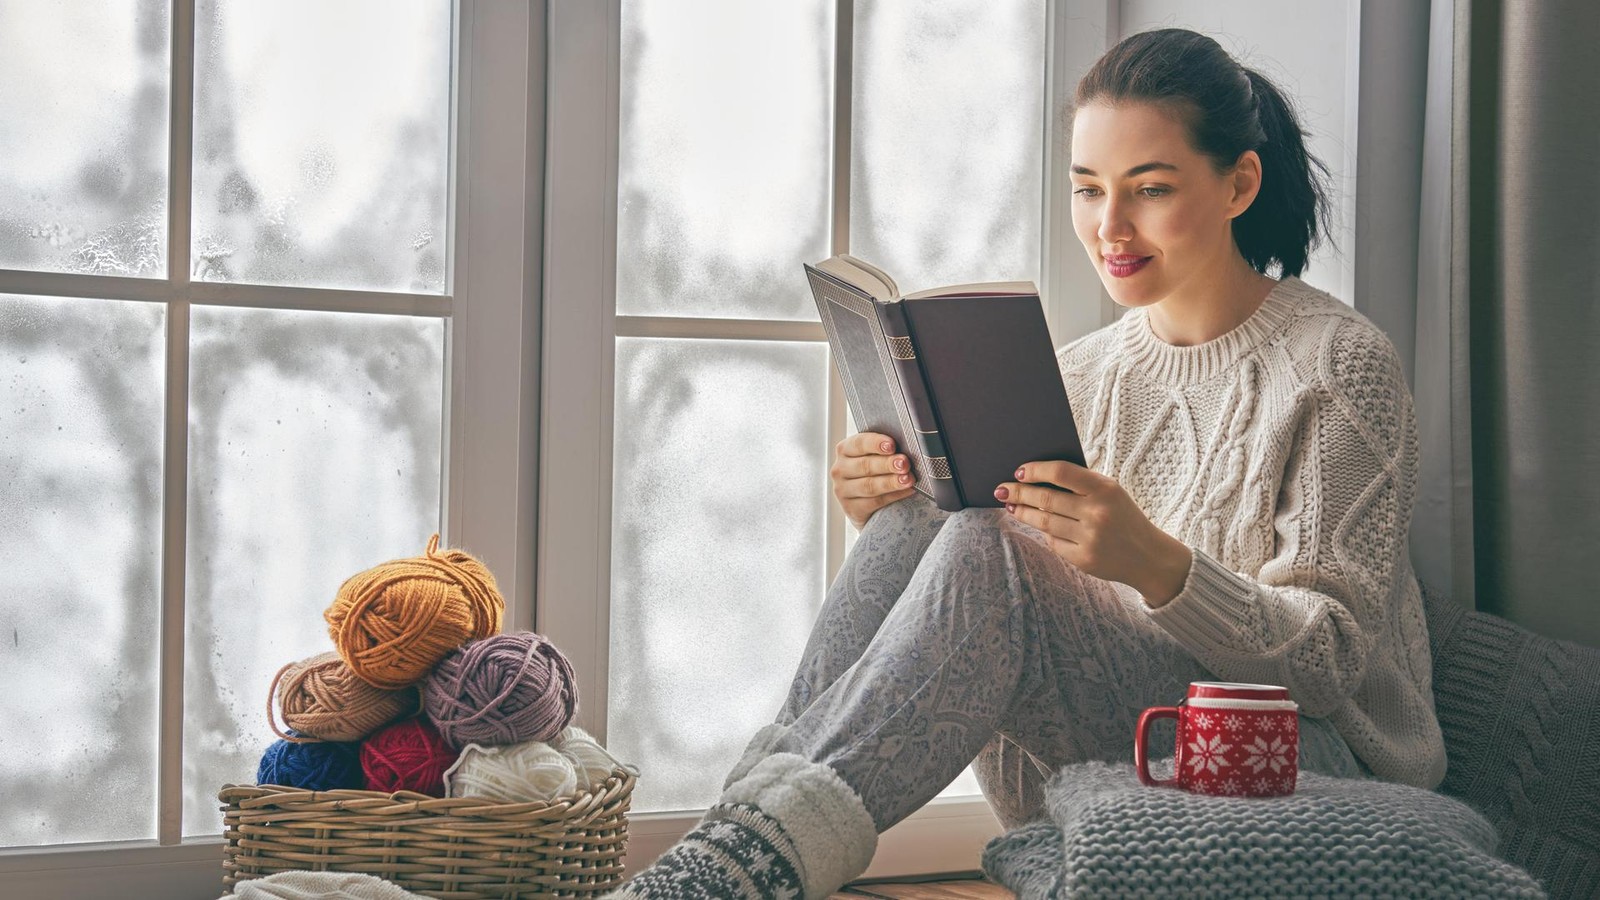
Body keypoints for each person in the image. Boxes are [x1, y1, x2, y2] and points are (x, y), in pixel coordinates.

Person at [610, 27, 1446, 900]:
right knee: (925, 523)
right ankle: (733, 849)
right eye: (1087, 190)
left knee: (991, 546)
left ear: (1239, 182)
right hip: (1112, 747)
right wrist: (890, 507)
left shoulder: (1341, 364)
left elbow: (1330, 663)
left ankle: (736, 868)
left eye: (1149, 190)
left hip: (1304, 764)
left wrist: (1156, 565)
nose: (1108, 227)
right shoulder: (1081, 374)